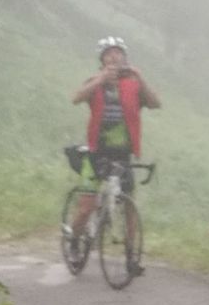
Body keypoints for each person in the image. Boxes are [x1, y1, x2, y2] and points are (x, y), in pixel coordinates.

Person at [67, 37, 160, 259]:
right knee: (86, 207)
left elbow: (156, 103)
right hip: (96, 152)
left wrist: (140, 77)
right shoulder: (94, 80)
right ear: (102, 59)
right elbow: (76, 98)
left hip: (123, 153)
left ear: (125, 57)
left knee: (129, 206)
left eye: (118, 53)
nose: (114, 56)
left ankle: (131, 253)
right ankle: (74, 242)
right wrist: (99, 80)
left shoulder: (133, 84)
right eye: (109, 53)